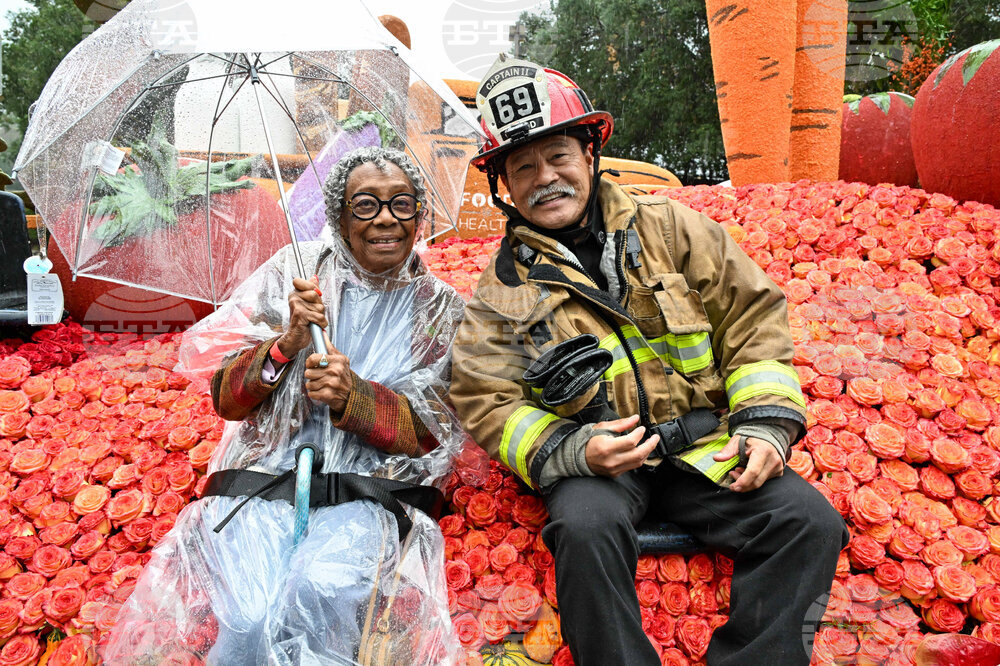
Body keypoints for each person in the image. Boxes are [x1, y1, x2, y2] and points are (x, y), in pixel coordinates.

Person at [449, 55, 849, 666]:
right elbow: (484, 396)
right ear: (504, 186)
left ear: (591, 153)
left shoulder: (674, 229)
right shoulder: (500, 293)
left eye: (558, 156)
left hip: (703, 448)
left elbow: (753, 318)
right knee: (582, 531)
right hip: (602, 470)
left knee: (808, 523)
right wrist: (573, 451)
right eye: (522, 166)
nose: (544, 177)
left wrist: (766, 421)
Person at [103, 146, 466, 665]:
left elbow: (435, 435)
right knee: (247, 612)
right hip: (264, 483)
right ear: (339, 218)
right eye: (365, 205)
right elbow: (227, 398)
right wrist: (285, 343)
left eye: (401, 204)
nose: (385, 218)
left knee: (319, 591)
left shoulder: (441, 311)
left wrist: (355, 398)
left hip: (373, 495)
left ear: (419, 215)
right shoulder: (292, 276)